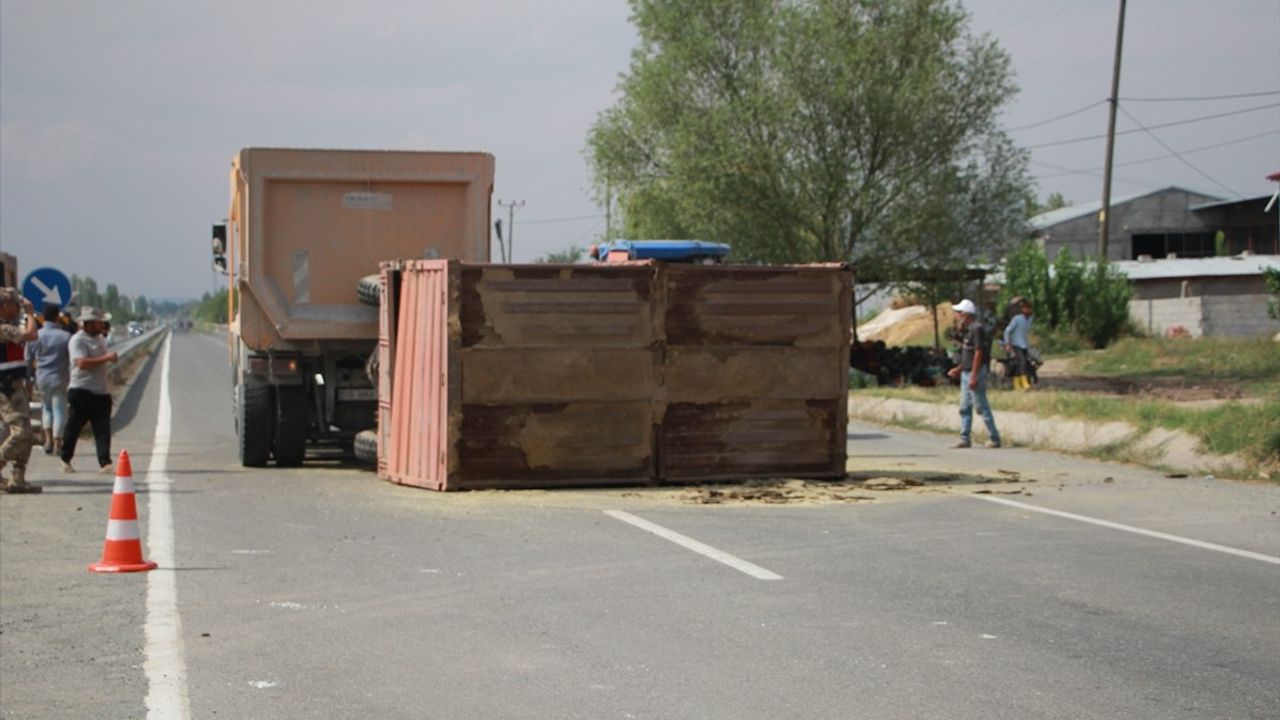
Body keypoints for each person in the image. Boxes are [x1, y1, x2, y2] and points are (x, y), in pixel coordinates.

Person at [60, 306, 118, 474]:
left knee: (102, 428)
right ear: (89, 324)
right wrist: (106, 358)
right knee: (74, 427)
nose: (102, 326)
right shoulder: (77, 340)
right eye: (99, 323)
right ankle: (65, 458)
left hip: (100, 391)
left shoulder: (100, 338)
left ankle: (105, 462)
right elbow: (81, 363)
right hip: (81, 390)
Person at [0, 288, 42, 493]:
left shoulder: (8, 326)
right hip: (5, 388)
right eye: (16, 305)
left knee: (25, 434)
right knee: (21, 432)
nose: (18, 309)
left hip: (14, 385)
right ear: (5, 306)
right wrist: (31, 313)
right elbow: (31, 334)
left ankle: (18, 477)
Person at [946, 298, 1001, 449]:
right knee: (964, 407)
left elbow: (978, 354)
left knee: (981, 405)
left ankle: (994, 437)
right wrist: (959, 369)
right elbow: (968, 355)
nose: (956, 316)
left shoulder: (977, 329)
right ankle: (964, 438)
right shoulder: (968, 331)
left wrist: (974, 376)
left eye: (958, 313)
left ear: (966, 314)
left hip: (974, 372)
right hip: (966, 372)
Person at [27, 303, 72, 456]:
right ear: (56, 317)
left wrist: (29, 378)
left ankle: (47, 441)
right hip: (60, 377)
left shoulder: (35, 335)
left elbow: (27, 358)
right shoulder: (65, 336)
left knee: (46, 409)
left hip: (42, 377)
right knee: (59, 410)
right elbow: (72, 359)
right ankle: (58, 444)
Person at [1002, 299, 1034, 391]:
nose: (1028, 310)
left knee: (1021, 364)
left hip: (1024, 344)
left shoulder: (1029, 319)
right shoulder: (1017, 318)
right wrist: (1007, 343)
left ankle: (1017, 384)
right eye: (1025, 308)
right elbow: (1008, 331)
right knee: (1021, 362)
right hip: (1016, 344)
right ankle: (1023, 382)